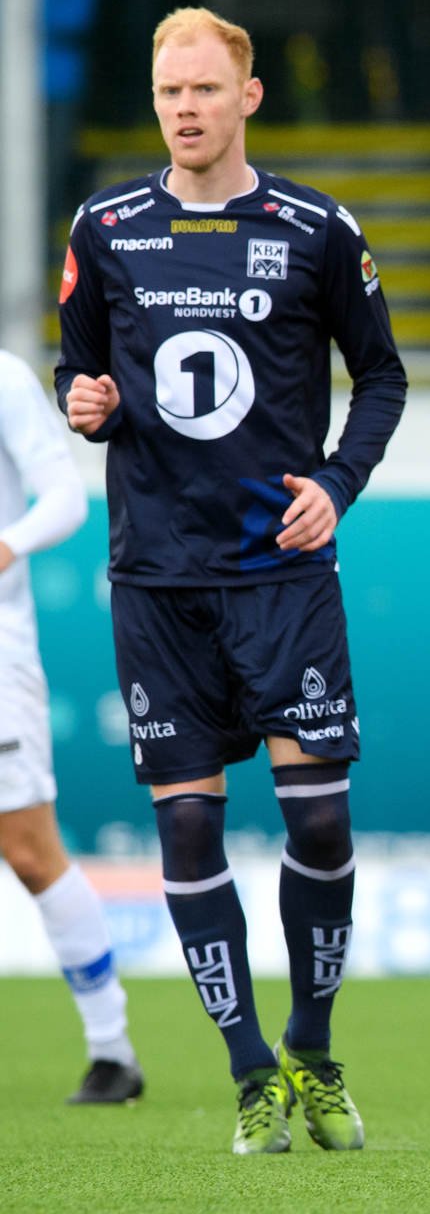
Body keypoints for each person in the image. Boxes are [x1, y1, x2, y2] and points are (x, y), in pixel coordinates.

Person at [54, 7, 407, 1154]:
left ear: (248, 96)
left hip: (282, 571)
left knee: (321, 817)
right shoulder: (106, 226)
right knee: (191, 830)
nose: (186, 109)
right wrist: (84, 400)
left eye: (205, 89)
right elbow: (80, 368)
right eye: (170, 92)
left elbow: (383, 375)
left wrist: (338, 483)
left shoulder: (314, 229)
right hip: (158, 579)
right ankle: (251, 1068)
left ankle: (312, 1042)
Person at [0, 349, 142, 1105]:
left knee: (28, 851)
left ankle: (112, 1048)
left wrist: (7, 544)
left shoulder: (2, 379)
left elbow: (65, 498)